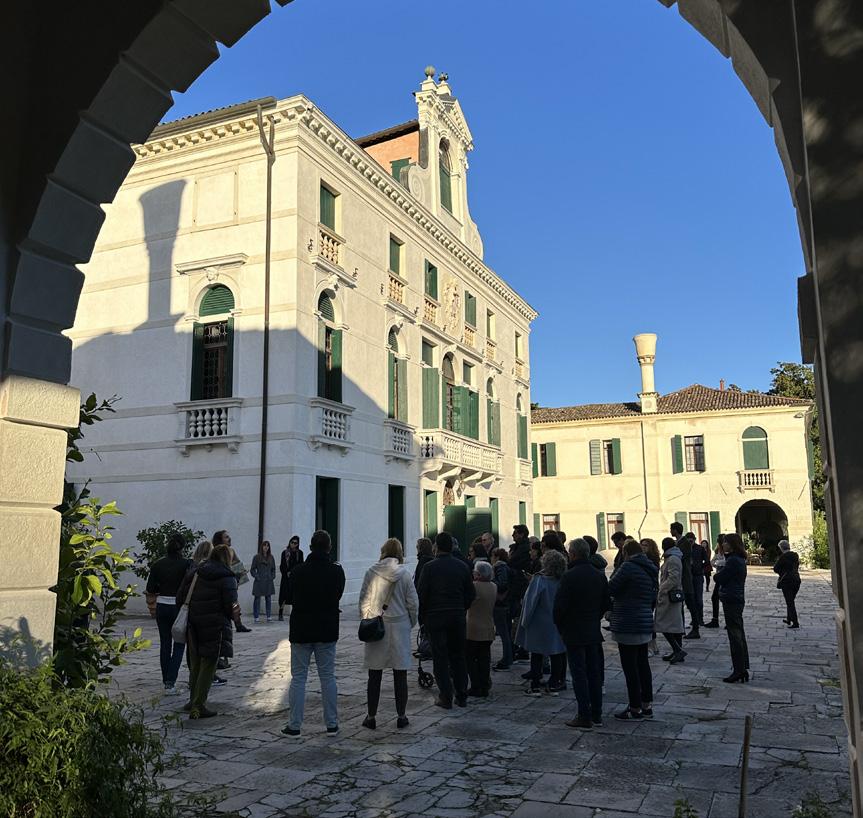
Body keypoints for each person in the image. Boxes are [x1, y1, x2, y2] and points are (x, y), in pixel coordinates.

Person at [282, 530, 346, 737]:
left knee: (298, 678)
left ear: (310, 547)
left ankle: (294, 725)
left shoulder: (298, 571)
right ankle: (332, 724)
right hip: (326, 629)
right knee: (327, 677)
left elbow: (290, 595)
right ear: (329, 548)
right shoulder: (337, 572)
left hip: (301, 629)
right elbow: (338, 594)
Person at [175, 543, 242, 719]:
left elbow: (180, 597)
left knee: (195, 663)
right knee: (209, 664)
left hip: (193, 623)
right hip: (215, 625)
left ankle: (192, 700)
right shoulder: (227, 577)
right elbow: (231, 604)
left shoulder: (196, 571)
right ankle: (199, 705)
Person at [358, 538, 418, 730]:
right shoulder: (404, 575)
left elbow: (363, 599)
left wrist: (367, 619)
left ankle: (371, 716)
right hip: (399, 626)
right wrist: (410, 623)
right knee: (400, 674)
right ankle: (401, 716)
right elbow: (413, 604)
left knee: (374, 674)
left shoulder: (371, 572)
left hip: (378, 626)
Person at [554, 538, 610, 729]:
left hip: (574, 631)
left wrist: (561, 626)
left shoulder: (569, 576)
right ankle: (597, 714)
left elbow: (559, 607)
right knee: (594, 673)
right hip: (592, 629)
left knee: (579, 674)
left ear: (573, 554)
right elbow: (605, 603)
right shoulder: (599, 575)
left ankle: (584, 715)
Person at [417, 531, 475, 709]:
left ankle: (446, 696)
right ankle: (462, 695)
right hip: (456, 616)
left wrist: (423, 618)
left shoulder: (429, 568)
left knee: (440, 657)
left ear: (437, 547)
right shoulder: (462, 566)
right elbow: (470, 593)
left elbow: (422, 594)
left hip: (436, 617)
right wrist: (461, 608)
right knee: (458, 656)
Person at [608, 539, 659, 719]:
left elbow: (611, 588)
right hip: (644, 620)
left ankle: (635, 707)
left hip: (627, 621)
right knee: (643, 664)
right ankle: (647, 704)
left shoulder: (628, 567)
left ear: (626, 552)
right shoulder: (650, 568)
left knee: (630, 667)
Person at [145, 532, 192, 694]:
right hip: (178, 606)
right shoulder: (186, 564)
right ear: (183, 547)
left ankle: (167, 680)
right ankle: (171, 680)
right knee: (179, 643)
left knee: (165, 643)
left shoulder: (158, 564)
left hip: (162, 605)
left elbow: (150, 588)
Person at [516, 550, 568, 696]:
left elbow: (530, 602)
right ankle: (554, 683)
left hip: (539, 622)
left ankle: (535, 685)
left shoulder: (539, 580)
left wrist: (524, 621)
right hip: (557, 622)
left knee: (537, 653)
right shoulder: (563, 580)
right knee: (556, 652)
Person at [713, 533, 750, 683]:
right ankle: (742, 668)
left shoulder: (733, 560)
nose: (723, 545)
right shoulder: (738, 559)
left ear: (732, 544)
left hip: (732, 599)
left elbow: (720, 577)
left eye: (726, 542)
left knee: (735, 635)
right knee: (738, 633)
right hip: (735, 597)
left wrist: (718, 574)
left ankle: (739, 670)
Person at [466, 561, 497, 698]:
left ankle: (476, 685)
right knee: (484, 658)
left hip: (473, 628)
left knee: (470, 659)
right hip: (488, 626)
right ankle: (484, 685)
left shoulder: (474, 586)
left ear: (478, 574)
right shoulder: (494, 586)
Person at [655, 537, 685, 663]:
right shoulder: (671, 557)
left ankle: (678, 650)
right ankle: (677, 650)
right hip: (668, 595)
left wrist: (662, 589)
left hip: (669, 596)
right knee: (671, 625)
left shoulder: (673, 559)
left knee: (663, 624)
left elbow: (673, 578)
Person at [670, 521, 697, 639]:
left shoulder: (684, 543)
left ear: (675, 530)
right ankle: (680, 629)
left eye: (671, 529)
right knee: (679, 603)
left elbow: (681, 556)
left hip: (685, 577)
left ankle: (695, 628)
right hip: (681, 577)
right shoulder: (678, 542)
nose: (670, 531)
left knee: (690, 603)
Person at [508, 525, 532, 662]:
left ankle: (521, 647)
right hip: (517, 586)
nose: (513, 535)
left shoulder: (523, 549)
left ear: (521, 534)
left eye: (515, 533)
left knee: (518, 618)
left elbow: (513, 563)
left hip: (519, 587)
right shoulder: (518, 547)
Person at [490, 547, 514, 670]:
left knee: (504, 633)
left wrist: (491, 581)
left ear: (497, 557)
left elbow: (502, 584)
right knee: (506, 633)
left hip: (501, 604)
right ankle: (508, 657)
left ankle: (506, 659)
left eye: (492, 556)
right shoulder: (504, 567)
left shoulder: (500, 567)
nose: (491, 558)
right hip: (505, 604)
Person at [640, 538, 662, 656]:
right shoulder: (643, 559)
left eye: (646, 545)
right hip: (647, 591)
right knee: (648, 619)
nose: (643, 547)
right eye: (642, 545)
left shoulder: (651, 560)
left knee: (648, 619)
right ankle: (653, 645)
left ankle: (651, 645)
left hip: (650, 592)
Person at [774, 539, 801, 628]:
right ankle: (789, 619)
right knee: (791, 600)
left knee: (790, 602)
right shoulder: (795, 555)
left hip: (787, 581)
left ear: (781, 548)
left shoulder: (783, 557)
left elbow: (776, 568)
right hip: (796, 580)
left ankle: (795, 622)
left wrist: (782, 572)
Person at [278, 535, 304, 621]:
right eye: (292, 542)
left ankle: (295, 613)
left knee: (295, 595)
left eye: (295, 543)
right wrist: (286, 572)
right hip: (286, 578)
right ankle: (280, 613)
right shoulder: (285, 553)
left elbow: (301, 565)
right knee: (283, 595)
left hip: (295, 578)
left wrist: (295, 573)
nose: (293, 544)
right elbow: (282, 565)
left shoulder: (299, 553)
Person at [250, 540, 277, 623]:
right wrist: (256, 576)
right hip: (259, 580)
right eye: (264, 545)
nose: (266, 547)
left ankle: (269, 616)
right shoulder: (256, 557)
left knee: (268, 598)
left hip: (268, 580)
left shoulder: (271, 557)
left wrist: (272, 576)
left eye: (267, 546)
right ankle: (256, 616)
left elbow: (273, 569)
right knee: (257, 598)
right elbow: (252, 569)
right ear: (261, 547)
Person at [704, 535, 726, 628]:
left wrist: (719, 563)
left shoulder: (727, 551)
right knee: (714, 597)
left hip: (725, 577)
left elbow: (727, 561)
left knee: (725, 598)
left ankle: (728, 621)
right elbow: (712, 561)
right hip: (719, 576)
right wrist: (717, 565)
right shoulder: (717, 551)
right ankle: (715, 619)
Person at [688, 532, 706, 632]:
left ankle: (700, 618)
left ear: (694, 539)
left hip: (698, 575)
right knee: (691, 599)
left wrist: (699, 567)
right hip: (689, 577)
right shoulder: (685, 549)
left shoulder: (699, 549)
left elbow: (706, 560)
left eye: (691, 540)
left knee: (699, 599)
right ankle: (694, 619)